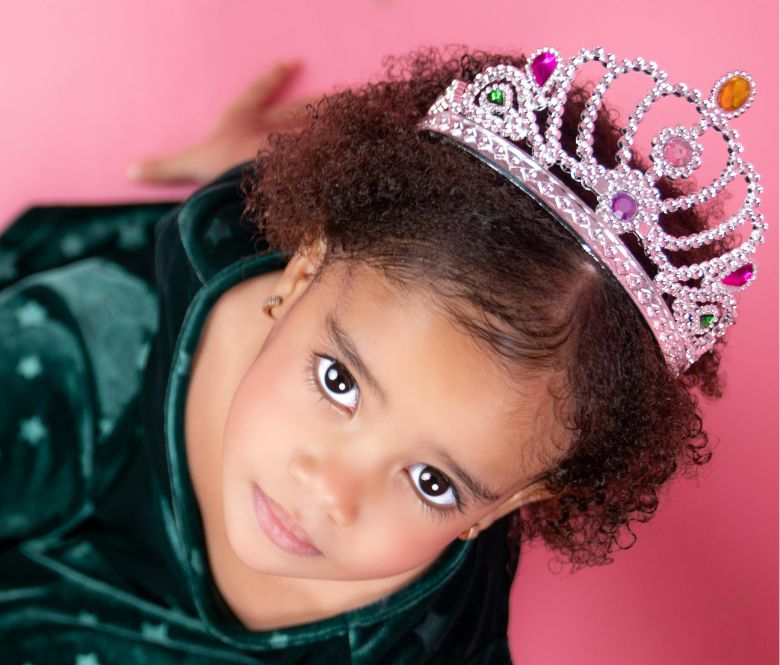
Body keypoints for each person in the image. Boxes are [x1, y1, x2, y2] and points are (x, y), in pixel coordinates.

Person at [0, 47, 764, 663]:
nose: (331, 491)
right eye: (338, 381)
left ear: (508, 504)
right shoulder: (81, 358)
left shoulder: (437, 637)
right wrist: (268, 167)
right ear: (299, 273)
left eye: (433, 482)